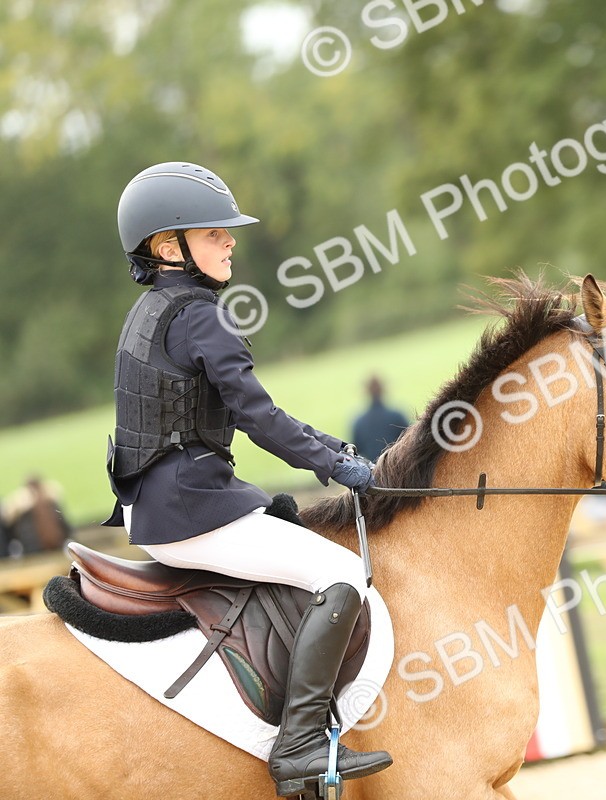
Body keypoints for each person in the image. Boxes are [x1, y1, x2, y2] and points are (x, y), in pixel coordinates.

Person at [102, 162, 392, 794]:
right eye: (213, 233)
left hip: (155, 508)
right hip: (189, 509)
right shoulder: (199, 316)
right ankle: (297, 747)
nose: (231, 240)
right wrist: (335, 465)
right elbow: (258, 416)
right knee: (343, 575)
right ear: (166, 246)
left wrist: (332, 446)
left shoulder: (150, 311)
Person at [351, 375, 411, 461]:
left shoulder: (359, 422)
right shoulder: (397, 416)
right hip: (396, 468)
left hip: (371, 470)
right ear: (383, 389)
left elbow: (356, 452)